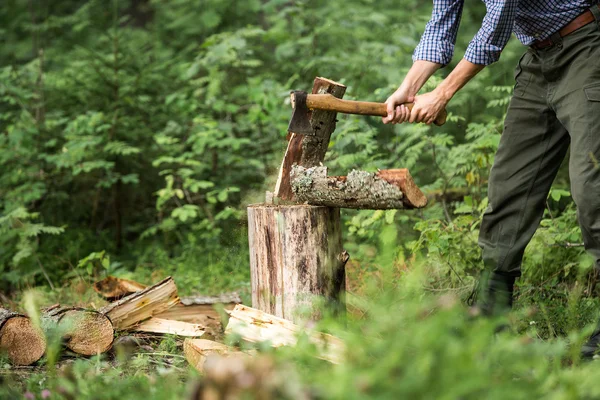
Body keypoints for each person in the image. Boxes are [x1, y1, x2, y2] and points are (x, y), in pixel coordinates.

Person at [383, 1, 600, 358]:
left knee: (592, 191)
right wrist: (407, 88)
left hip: (585, 48)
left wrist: (441, 93)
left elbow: (496, 28)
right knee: (508, 188)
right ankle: (489, 323)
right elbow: (441, 26)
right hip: (539, 58)